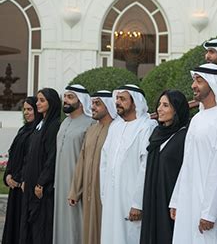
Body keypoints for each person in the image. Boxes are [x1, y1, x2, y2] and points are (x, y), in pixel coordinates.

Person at [169, 64, 217, 244]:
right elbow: (188, 162)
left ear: (213, 84)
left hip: (207, 206)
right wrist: (176, 199)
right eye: (194, 80)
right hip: (188, 199)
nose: (193, 86)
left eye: (199, 81)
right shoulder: (198, 118)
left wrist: (209, 212)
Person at [99, 84, 157, 244]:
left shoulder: (147, 127)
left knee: (131, 237)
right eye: (117, 98)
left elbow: (146, 167)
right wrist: (104, 194)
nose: (117, 102)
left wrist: (138, 203)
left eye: (122, 99)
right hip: (111, 198)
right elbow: (104, 162)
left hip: (131, 199)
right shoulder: (115, 126)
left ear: (135, 102)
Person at [67, 90, 117, 244]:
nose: (93, 107)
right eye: (92, 103)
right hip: (89, 192)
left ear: (108, 106)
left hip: (106, 192)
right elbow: (82, 161)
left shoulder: (116, 129)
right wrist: (75, 191)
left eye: (97, 104)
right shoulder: (91, 130)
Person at [140, 90, 190, 244]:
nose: (159, 109)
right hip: (153, 198)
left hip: (171, 203)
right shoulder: (157, 133)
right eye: (159, 104)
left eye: (166, 105)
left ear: (177, 110)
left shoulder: (184, 136)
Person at [20, 88, 61, 244]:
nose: (38, 103)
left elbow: (51, 157)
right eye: (37, 100)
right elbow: (29, 155)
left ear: (52, 103)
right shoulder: (40, 124)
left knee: (41, 227)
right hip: (30, 183)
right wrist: (25, 178)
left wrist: (41, 183)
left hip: (40, 187)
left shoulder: (53, 126)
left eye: (42, 100)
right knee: (29, 224)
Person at [53, 84, 94, 244]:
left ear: (81, 101)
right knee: (61, 223)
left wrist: (80, 186)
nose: (66, 101)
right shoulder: (64, 123)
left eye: (71, 97)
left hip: (77, 184)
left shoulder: (90, 123)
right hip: (60, 183)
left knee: (76, 224)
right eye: (65, 97)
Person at [2, 97, 42, 244]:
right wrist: (8, 176)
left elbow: (31, 159)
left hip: (25, 186)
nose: (26, 112)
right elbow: (13, 155)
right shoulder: (23, 130)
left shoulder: (38, 132)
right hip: (15, 186)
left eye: (30, 109)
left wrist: (19, 180)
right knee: (13, 223)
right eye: (24, 109)